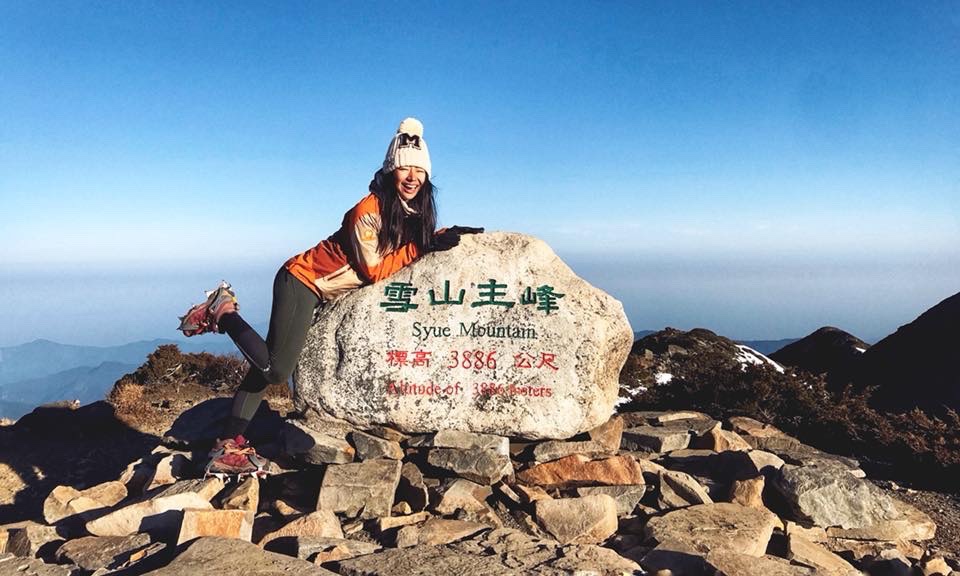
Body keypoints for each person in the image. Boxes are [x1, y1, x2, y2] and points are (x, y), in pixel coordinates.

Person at [177, 118, 481, 477]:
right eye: (404, 168)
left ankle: (227, 444)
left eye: (419, 170)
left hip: (318, 289)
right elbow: (373, 269)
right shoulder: (367, 212)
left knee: (265, 366)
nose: (412, 177)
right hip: (301, 282)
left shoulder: (411, 211)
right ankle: (223, 311)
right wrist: (423, 246)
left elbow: (405, 245)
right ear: (390, 171)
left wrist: (440, 235)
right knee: (276, 370)